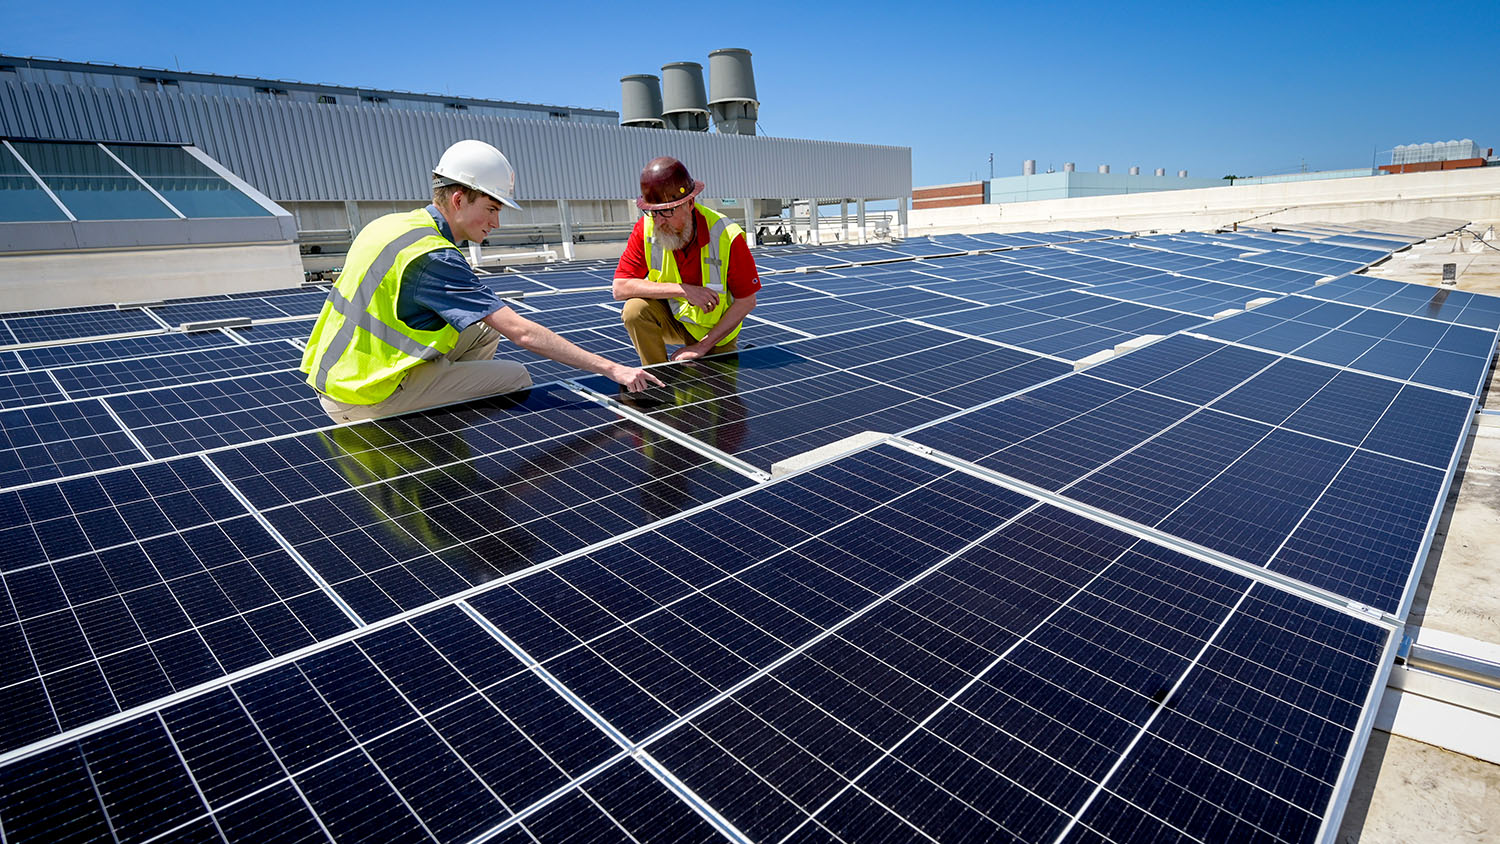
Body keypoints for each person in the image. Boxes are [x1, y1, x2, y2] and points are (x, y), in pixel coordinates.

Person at [302, 139, 662, 422]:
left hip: (342, 375)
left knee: (481, 330)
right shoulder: (433, 256)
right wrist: (614, 368)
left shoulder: (392, 225)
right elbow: (520, 332)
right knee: (516, 377)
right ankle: (421, 424)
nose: (496, 223)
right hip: (367, 393)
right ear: (459, 199)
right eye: (492, 209)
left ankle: (436, 393)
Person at [613, 157, 761, 366]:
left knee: (717, 391)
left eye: (667, 211)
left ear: (690, 203)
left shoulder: (727, 235)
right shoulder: (646, 228)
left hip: (715, 328)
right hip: (672, 317)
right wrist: (683, 290)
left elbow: (747, 301)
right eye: (653, 212)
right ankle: (658, 377)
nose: (659, 220)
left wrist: (701, 347)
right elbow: (620, 288)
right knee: (634, 310)